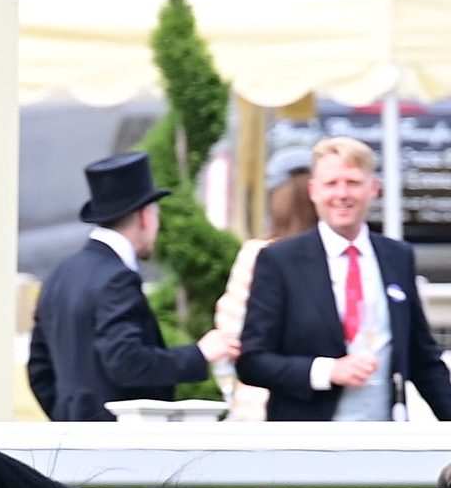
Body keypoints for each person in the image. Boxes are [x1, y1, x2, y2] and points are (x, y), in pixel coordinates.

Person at [236, 135, 451, 422]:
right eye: (331, 183)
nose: (342, 194)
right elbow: (252, 362)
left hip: (384, 435)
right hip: (306, 437)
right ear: (313, 190)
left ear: (373, 188)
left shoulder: (396, 256)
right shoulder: (280, 260)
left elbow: (423, 359)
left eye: (353, 182)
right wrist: (327, 371)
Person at [26, 151, 236, 421]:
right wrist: (199, 354)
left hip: (70, 441)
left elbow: (40, 371)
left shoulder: (60, 275)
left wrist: (70, 418)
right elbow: (126, 363)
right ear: (145, 217)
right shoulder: (117, 278)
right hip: (117, 445)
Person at [213, 150, 320, 422]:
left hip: (258, 401)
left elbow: (230, 328)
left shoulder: (258, 253)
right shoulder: (336, 255)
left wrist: (228, 386)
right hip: (327, 397)